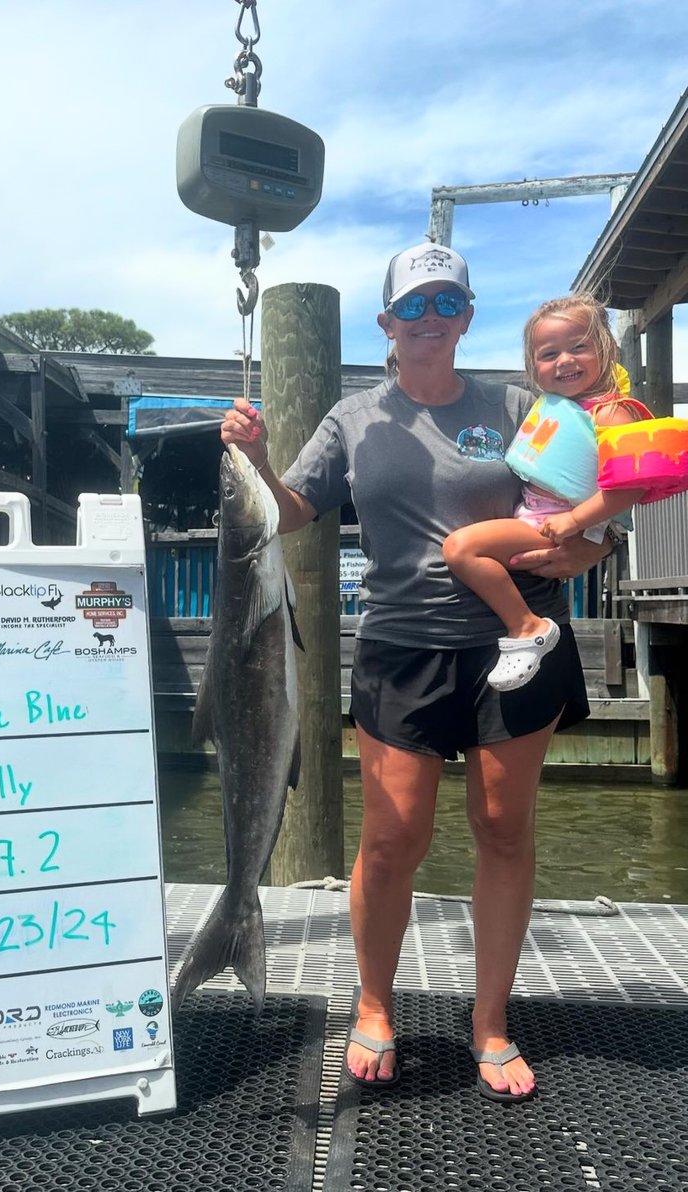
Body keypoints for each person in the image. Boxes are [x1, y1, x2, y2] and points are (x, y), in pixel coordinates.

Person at [220, 241, 612, 1103]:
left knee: (505, 831)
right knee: (394, 840)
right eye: (415, 305)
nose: (430, 318)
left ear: (468, 317)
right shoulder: (354, 419)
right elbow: (292, 510)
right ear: (386, 323)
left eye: (448, 302)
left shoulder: (521, 405)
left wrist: (589, 542)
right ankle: (372, 1002)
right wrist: (252, 455)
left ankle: (491, 1020)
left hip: (519, 642)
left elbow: (590, 495)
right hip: (402, 648)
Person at [443, 294, 646, 692]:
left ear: (606, 347)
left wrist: (573, 523)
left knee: (460, 549)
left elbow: (627, 489)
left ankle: (528, 628)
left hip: (553, 523)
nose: (565, 361)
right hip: (538, 515)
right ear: (533, 365)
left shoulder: (610, 412)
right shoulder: (556, 407)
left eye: (579, 347)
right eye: (549, 353)